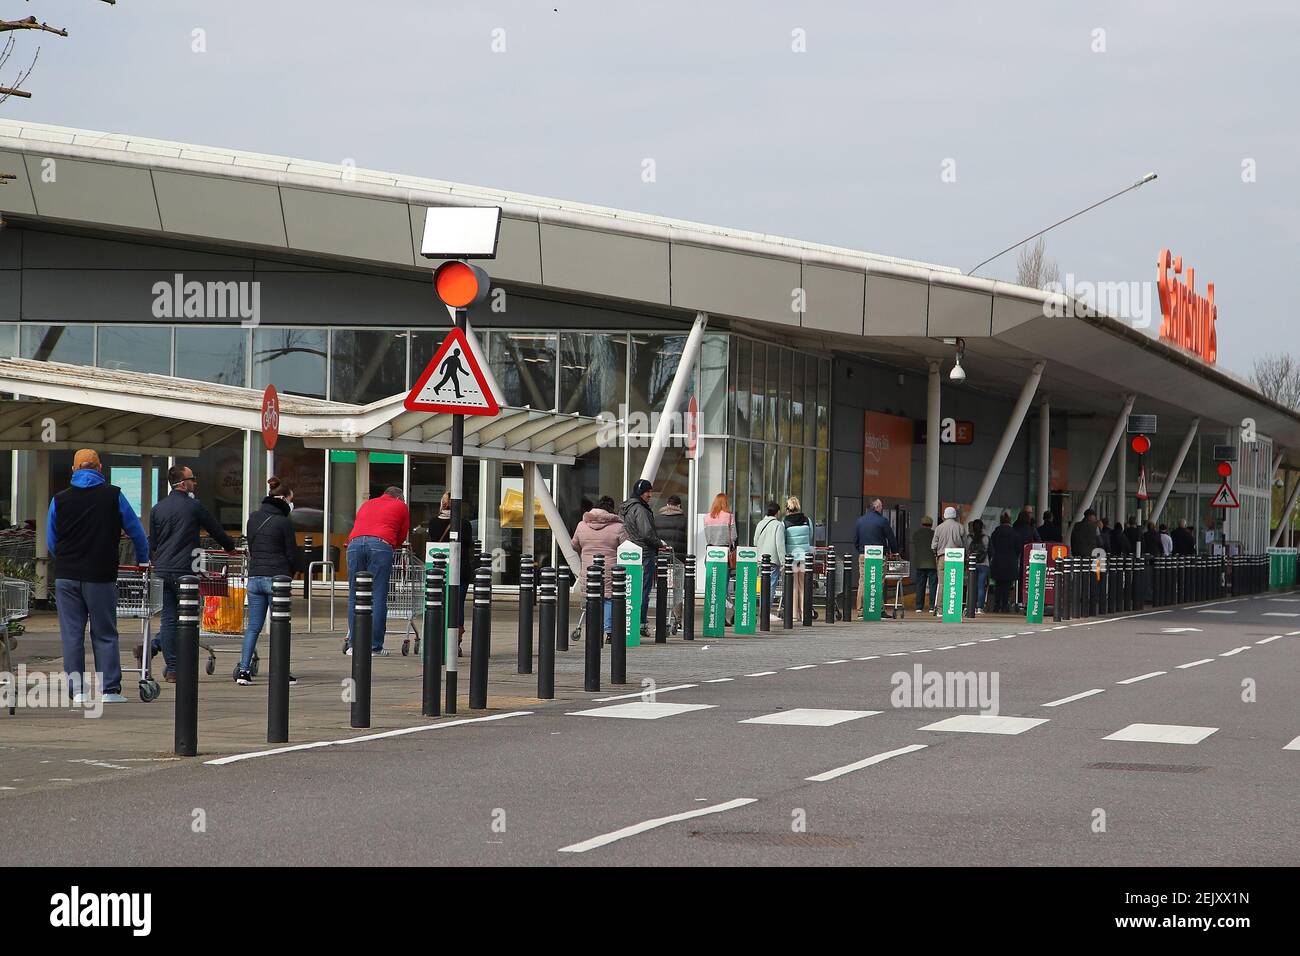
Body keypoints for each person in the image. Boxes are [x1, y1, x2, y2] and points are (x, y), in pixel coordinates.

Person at [48, 449, 149, 703]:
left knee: (72, 635)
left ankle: (77, 691)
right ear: (100, 468)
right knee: (104, 632)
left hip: (67, 576)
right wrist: (143, 559)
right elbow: (136, 532)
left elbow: (51, 540)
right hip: (100, 575)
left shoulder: (59, 500)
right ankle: (109, 690)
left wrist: (65, 560)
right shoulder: (113, 495)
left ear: (74, 470)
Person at [147, 462, 236, 682]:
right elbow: (215, 529)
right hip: (186, 571)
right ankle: (178, 663)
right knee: (188, 618)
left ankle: (173, 668)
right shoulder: (194, 506)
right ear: (182, 483)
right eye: (192, 478)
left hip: (163, 569)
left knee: (168, 619)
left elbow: (154, 542)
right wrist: (230, 547)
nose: (195, 482)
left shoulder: (158, 508)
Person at [237, 477, 301, 685]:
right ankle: (281, 672)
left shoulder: (253, 518)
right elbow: (291, 553)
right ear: (283, 499)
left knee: (253, 627)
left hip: (255, 577)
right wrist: (290, 574)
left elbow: (253, 548)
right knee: (279, 625)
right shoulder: (284, 523)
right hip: (277, 578)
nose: (292, 504)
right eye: (291, 500)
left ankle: (244, 670)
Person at [345, 486, 409, 656]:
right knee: (378, 595)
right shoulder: (401, 506)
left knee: (354, 595)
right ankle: (374, 646)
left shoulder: (367, 504)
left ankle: (353, 644)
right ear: (399, 498)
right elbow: (402, 534)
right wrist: (394, 546)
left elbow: (359, 524)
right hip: (380, 545)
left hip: (354, 544)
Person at [571, 495, 625, 641]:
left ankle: (593, 630)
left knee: (592, 598)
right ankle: (609, 631)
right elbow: (626, 547)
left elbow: (574, 544)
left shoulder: (581, 525)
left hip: (589, 569)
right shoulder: (618, 527)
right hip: (610, 569)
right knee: (608, 599)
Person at [427, 491, 474, 657]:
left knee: (437, 604)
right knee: (458, 605)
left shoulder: (433, 523)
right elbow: (468, 545)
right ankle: (456, 643)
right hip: (460, 570)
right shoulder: (464, 524)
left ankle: (437, 639)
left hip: (439, 571)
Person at [619, 479, 661, 638]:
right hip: (644, 553)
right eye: (647, 491)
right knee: (643, 590)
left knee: (629, 590)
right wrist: (659, 543)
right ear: (640, 492)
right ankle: (640, 624)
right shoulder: (640, 509)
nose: (650, 495)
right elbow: (646, 533)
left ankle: (628, 623)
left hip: (628, 553)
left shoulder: (625, 508)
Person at [854, 498, 898, 616]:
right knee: (878, 582)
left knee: (863, 581)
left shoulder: (860, 521)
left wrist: (861, 551)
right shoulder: (882, 521)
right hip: (879, 556)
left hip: (863, 555)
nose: (882, 508)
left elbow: (855, 540)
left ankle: (861, 610)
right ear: (877, 507)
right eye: (881, 506)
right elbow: (891, 538)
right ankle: (879, 609)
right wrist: (894, 551)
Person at [657, 495, 688, 622]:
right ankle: (677, 617)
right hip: (678, 559)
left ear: (667, 504)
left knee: (662, 586)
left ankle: (661, 614)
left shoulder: (657, 519)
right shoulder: (684, 520)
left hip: (661, 559)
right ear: (679, 506)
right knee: (677, 589)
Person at [783, 496, 813, 621]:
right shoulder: (807, 520)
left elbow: (783, 539)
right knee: (803, 585)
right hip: (804, 555)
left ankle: (794, 614)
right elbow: (810, 536)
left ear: (788, 508)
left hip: (792, 557)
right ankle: (805, 613)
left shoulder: (785, 522)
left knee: (793, 585)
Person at [752, 501, 785, 616]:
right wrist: (783, 562)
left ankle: (762, 610)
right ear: (777, 512)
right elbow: (780, 544)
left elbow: (755, 541)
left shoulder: (760, 523)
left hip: (760, 559)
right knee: (771, 586)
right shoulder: (778, 525)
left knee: (763, 585)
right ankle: (766, 612)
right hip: (772, 560)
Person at [931, 506, 965, 613]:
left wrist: (936, 554)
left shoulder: (939, 528)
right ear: (955, 515)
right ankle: (955, 608)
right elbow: (966, 544)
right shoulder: (960, 527)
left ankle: (940, 609)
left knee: (942, 584)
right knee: (956, 582)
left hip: (942, 557)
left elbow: (933, 546)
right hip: (957, 558)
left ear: (944, 515)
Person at [988, 511, 1020, 613]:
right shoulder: (1014, 534)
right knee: (1007, 585)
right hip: (1010, 562)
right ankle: (1005, 605)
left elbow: (991, 547)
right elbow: (1018, 548)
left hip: (998, 561)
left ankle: (997, 605)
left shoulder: (995, 533)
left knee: (998, 584)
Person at [910, 515, 937, 612]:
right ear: (931, 524)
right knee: (933, 585)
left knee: (920, 585)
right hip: (932, 563)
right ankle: (931, 606)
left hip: (920, 563)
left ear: (921, 524)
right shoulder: (934, 534)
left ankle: (918, 606)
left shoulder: (916, 534)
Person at [966, 518, 989, 613]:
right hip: (984, 564)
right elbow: (989, 550)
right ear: (982, 527)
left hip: (972, 564)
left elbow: (967, 550)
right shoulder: (986, 538)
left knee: (971, 586)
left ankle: (970, 606)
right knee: (981, 586)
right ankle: (980, 607)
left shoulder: (969, 538)